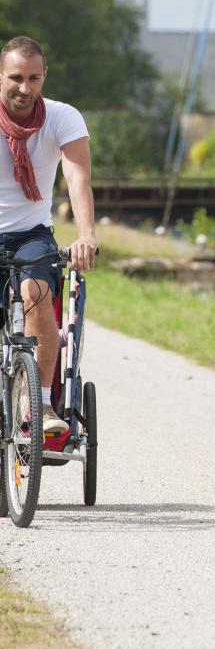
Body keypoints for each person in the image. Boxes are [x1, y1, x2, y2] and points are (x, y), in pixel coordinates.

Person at [0, 36, 97, 434]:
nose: (25, 88)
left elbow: (78, 178)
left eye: (34, 78)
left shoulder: (62, 117)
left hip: (31, 234)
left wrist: (86, 234)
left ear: (44, 78)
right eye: (16, 78)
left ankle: (39, 406)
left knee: (38, 292)